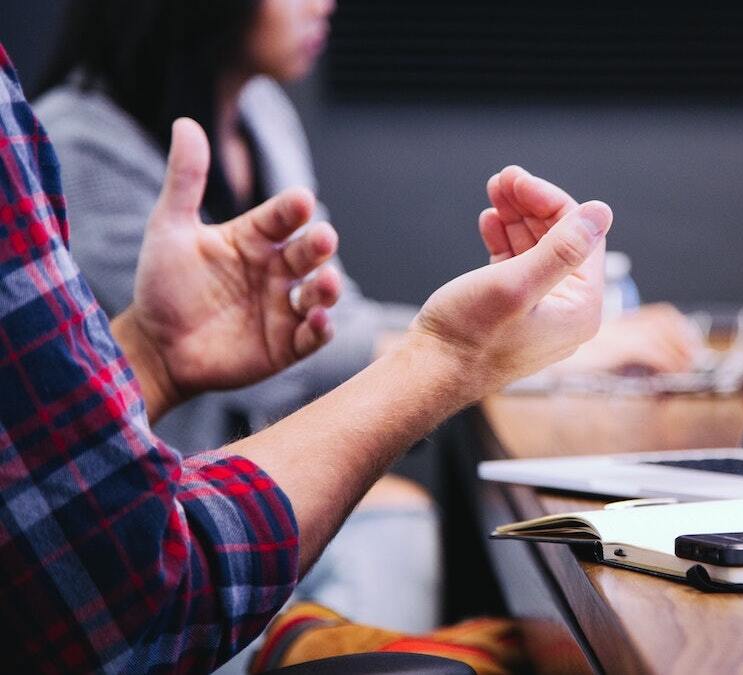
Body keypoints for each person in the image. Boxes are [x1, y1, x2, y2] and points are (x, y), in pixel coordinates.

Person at [0, 38, 615, 673]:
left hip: (175, 551)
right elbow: (129, 596)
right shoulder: (79, 140)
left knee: (402, 519)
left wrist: (152, 358)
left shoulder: (262, 111)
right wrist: (452, 356)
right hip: (161, 601)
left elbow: (334, 320)